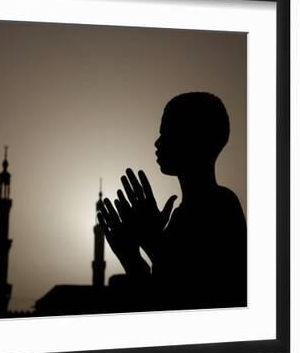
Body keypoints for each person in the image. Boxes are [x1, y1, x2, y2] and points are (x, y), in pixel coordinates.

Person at [98, 92, 247, 310]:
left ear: (195, 138)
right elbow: (161, 299)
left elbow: (188, 297)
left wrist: (152, 244)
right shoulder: (183, 215)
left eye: (167, 132)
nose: (158, 142)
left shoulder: (220, 206)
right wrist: (132, 256)